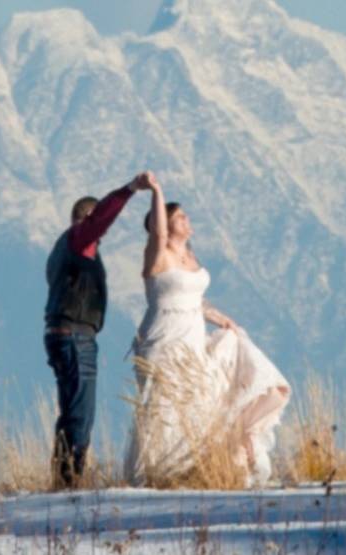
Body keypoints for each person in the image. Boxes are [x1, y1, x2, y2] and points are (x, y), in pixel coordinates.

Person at [124, 173, 291, 487]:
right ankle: (158, 472)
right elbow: (158, 236)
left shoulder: (190, 257)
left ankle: (197, 468)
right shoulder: (158, 255)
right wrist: (156, 191)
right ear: (164, 224)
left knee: (200, 400)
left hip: (193, 337)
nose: (187, 220)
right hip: (165, 339)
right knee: (167, 404)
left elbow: (191, 298)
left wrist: (218, 317)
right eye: (180, 217)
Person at [44, 172, 152, 488]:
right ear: (88, 219)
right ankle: (70, 480)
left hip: (69, 334)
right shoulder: (79, 240)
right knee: (81, 411)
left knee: (72, 409)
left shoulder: (60, 249)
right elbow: (101, 220)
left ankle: (65, 477)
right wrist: (130, 190)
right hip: (74, 335)